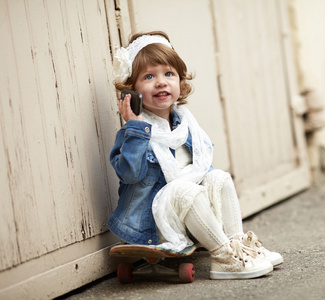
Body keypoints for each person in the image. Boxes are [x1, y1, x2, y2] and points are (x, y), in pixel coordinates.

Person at [108, 31, 283, 280]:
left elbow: (199, 169)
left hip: (184, 211)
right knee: (183, 189)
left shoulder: (185, 126)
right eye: (149, 76)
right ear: (131, 91)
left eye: (169, 74)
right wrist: (135, 127)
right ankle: (223, 258)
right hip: (150, 223)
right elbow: (130, 174)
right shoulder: (133, 134)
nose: (161, 82)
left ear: (180, 81)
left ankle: (237, 246)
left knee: (218, 177)